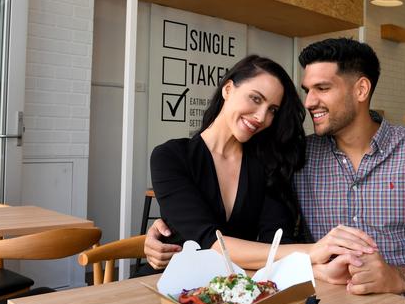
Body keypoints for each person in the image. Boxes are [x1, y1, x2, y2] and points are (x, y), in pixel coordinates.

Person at [146, 41, 405, 304]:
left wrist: (397, 277)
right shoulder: (298, 160)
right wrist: (168, 238)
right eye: (307, 90)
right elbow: (263, 239)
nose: (310, 101)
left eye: (322, 89)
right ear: (227, 89)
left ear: (361, 89)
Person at [150, 54, 377, 273]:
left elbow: (277, 241)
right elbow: (208, 243)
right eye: (255, 99)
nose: (261, 117)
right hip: (170, 285)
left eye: (272, 110)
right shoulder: (170, 157)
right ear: (228, 89)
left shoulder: (268, 163)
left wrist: (317, 270)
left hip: (238, 289)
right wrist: (313, 252)